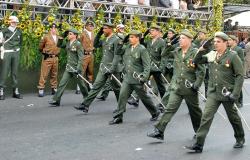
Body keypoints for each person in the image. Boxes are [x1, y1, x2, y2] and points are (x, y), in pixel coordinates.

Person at [185, 32, 245, 153]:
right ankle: (199, 144)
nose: (215, 44)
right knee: (206, 117)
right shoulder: (212, 54)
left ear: (225, 43)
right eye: (214, 42)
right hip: (213, 92)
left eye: (218, 42)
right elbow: (196, 61)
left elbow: (240, 75)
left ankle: (240, 138)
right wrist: (201, 50)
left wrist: (235, 93)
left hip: (226, 92)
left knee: (233, 117)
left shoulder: (232, 56)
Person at [147, 29, 205, 140]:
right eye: (180, 38)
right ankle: (159, 130)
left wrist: (197, 84)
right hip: (176, 86)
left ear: (190, 40)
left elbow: (201, 71)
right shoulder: (177, 51)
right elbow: (163, 54)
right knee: (169, 108)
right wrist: (169, 44)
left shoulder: (195, 53)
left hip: (189, 88)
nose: (180, 40)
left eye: (183, 38)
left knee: (195, 112)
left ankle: (199, 132)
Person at [109, 30, 160, 125]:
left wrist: (144, 77)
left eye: (132, 37)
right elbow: (118, 52)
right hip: (128, 78)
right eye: (129, 37)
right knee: (122, 96)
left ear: (138, 38)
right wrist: (121, 43)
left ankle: (155, 112)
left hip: (137, 79)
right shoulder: (127, 47)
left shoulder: (142, 49)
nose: (130, 39)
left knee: (144, 98)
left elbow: (147, 66)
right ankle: (118, 117)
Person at [74, 23, 122, 113]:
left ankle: (121, 107)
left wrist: (112, 69)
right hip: (104, 68)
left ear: (111, 29)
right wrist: (99, 34)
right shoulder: (105, 39)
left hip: (113, 69)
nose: (103, 30)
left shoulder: (116, 40)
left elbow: (117, 56)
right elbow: (95, 44)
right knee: (96, 86)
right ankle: (85, 105)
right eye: (102, 29)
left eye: (105, 29)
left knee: (117, 89)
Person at [48, 28, 88, 106]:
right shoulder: (67, 43)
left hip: (76, 68)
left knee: (82, 85)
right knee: (62, 83)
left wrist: (78, 69)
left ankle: (87, 100)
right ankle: (56, 100)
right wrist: (61, 37)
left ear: (75, 35)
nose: (68, 35)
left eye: (70, 34)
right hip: (69, 67)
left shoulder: (78, 44)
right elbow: (59, 45)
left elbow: (81, 57)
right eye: (68, 34)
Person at [96, 23, 125, 101]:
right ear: (117, 28)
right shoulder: (113, 37)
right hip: (112, 63)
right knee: (109, 81)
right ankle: (104, 94)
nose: (122, 30)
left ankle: (126, 97)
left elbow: (123, 50)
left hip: (119, 62)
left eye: (123, 28)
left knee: (117, 83)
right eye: (120, 28)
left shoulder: (121, 37)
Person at [0, 16, 22, 100]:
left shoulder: (19, 31)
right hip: (7, 53)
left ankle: (15, 90)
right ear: (9, 22)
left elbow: (20, 42)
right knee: (4, 72)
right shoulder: (4, 31)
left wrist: (17, 50)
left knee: (15, 72)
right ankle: (1, 90)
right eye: (13, 22)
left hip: (16, 52)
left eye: (16, 22)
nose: (14, 23)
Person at [37, 23, 61, 97]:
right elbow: (40, 47)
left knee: (54, 74)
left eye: (55, 28)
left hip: (55, 58)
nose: (54, 29)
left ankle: (54, 88)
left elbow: (60, 46)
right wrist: (45, 53)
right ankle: (41, 88)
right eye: (52, 28)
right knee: (44, 74)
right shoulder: (46, 37)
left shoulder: (59, 37)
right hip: (47, 57)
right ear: (50, 29)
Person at [75, 21, 95, 94]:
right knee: (82, 70)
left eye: (92, 26)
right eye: (90, 26)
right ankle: (78, 86)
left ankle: (89, 84)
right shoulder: (82, 34)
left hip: (91, 54)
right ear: (86, 26)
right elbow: (78, 43)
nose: (91, 27)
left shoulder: (92, 34)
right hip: (84, 54)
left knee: (90, 71)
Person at [228, 35, 244, 108]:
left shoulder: (239, 49)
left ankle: (239, 101)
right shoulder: (228, 49)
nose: (228, 41)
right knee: (233, 86)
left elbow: (241, 61)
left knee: (238, 86)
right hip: (229, 70)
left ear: (234, 41)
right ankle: (234, 101)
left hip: (236, 70)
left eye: (230, 40)